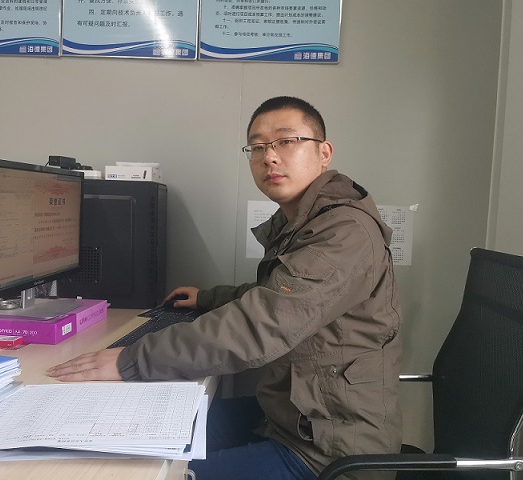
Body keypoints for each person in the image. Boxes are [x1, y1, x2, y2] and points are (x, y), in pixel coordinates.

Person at [48, 96, 403, 480]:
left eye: (287, 141)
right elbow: (277, 293)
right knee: (149, 430)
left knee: (159, 469)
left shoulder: (344, 232)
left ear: (324, 153)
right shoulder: (305, 221)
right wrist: (207, 298)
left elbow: (262, 324)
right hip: (294, 416)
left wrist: (130, 359)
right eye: (258, 146)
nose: (270, 157)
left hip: (332, 449)